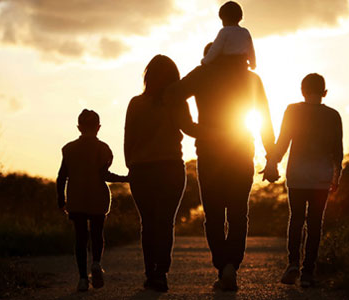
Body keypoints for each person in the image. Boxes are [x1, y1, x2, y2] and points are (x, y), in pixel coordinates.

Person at [165, 43, 277, 291]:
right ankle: (231, 267)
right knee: (238, 214)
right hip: (241, 150)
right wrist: (272, 157)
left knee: (214, 215)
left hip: (210, 153)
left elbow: (172, 95)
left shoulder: (202, 73)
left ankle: (222, 266)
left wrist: (192, 126)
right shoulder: (252, 78)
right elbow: (265, 120)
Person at [124, 55, 198, 292]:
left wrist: (131, 165)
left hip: (141, 169)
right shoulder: (177, 103)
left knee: (148, 223)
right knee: (165, 222)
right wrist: (221, 131)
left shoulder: (136, 103)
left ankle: (150, 272)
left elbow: (129, 138)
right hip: (170, 168)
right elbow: (190, 129)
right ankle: (161, 273)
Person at [265, 73, 343, 288]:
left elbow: (283, 141)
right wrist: (337, 175)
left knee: (296, 219)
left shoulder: (293, 110)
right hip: (321, 177)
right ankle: (308, 273)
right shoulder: (333, 115)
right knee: (315, 223)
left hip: (297, 174)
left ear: (302, 91)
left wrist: (273, 163)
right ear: (324, 93)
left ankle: (292, 264)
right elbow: (338, 149)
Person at [57, 109, 129, 292]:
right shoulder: (103, 149)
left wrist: (60, 197)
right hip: (98, 197)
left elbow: (61, 176)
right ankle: (96, 263)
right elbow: (105, 174)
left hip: (76, 198)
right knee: (97, 233)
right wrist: (126, 178)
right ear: (98, 127)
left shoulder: (69, 149)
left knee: (80, 238)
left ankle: (82, 279)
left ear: (79, 127)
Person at [201, 1, 256, 71]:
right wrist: (253, 63)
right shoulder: (245, 32)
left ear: (224, 18)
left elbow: (215, 49)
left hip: (227, 65)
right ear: (240, 18)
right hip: (242, 66)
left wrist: (205, 61)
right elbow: (251, 49)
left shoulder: (224, 31)